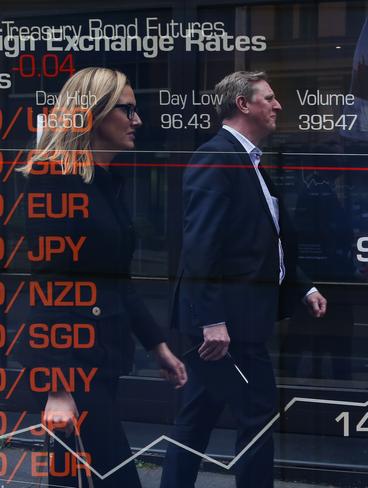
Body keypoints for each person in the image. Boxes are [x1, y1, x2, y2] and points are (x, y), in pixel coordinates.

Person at [17, 67, 187, 487]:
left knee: (74, 475)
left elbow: (116, 279)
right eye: (126, 109)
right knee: (114, 476)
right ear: (90, 115)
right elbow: (46, 284)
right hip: (72, 367)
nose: (137, 120)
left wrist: (157, 344)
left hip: (102, 356)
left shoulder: (102, 184)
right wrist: (57, 387)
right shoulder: (53, 183)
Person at [161, 71, 327, 488]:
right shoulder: (216, 157)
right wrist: (211, 321)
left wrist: (302, 285)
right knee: (257, 411)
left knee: (196, 418)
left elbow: (263, 242)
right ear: (243, 104)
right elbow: (201, 247)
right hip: (227, 328)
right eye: (268, 98)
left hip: (234, 324)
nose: (278, 106)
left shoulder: (247, 161)